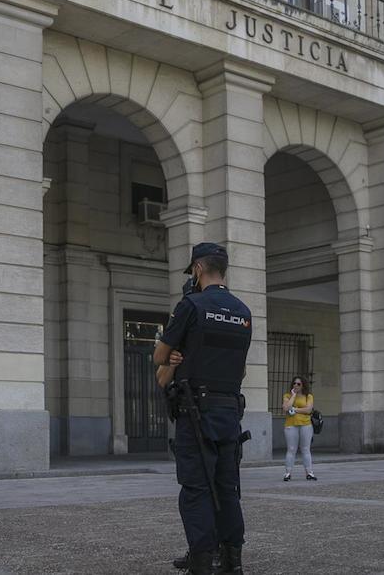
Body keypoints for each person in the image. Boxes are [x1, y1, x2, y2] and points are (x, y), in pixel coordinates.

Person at [154, 242, 252, 575]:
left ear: (197, 269)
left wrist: (175, 357)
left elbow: (158, 357)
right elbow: (240, 370)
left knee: (196, 489)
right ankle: (232, 561)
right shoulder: (243, 311)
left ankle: (202, 562)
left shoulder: (191, 306)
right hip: (229, 413)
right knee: (227, 487)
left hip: (196, 413)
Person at [281, 376, 318, 481]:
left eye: (298, 384)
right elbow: (286, 408)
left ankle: (309, 473)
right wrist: (293, 396)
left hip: (306, 424)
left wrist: (295, 409)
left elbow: (308, 410)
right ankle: (288, 473)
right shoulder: (287, 395)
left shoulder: (308, 396)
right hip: (291, 425)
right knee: (291, 449)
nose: (296, 385)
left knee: (305, 449)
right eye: (294, 383)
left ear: (303, 385)